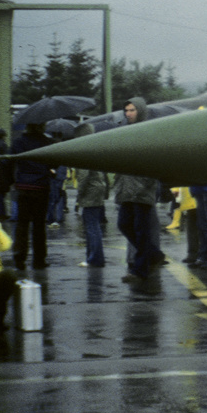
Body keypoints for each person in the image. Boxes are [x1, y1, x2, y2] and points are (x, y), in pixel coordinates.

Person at [115, 98, 164, 282]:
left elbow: (155, 163)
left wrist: (145, 185)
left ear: (140, 111)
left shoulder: (149, 132)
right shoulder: (125, 132)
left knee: (141, 230)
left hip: (142, 190)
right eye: (126, 110)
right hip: (126, 190)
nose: (128, 114)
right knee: (124, 224)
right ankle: (154, 255)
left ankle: (139, 270)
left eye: (132, 110)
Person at [11, 123, 53, 270]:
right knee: (39, 225)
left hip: (23, 187)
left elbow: (11, 161)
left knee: (22, 225)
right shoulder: (47, 142)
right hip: (41, 187)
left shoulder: (18, 142)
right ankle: (39, 259)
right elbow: (55, 162)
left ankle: (19, 258)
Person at [72, 124, 108, 268]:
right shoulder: (95, 148)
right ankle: (94, 257)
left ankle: (94, 259)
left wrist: (79, 196)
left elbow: (83, 176)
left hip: (90, 192)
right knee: (94, 225)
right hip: (97, 190)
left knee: (91, 226)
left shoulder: (83, 150)